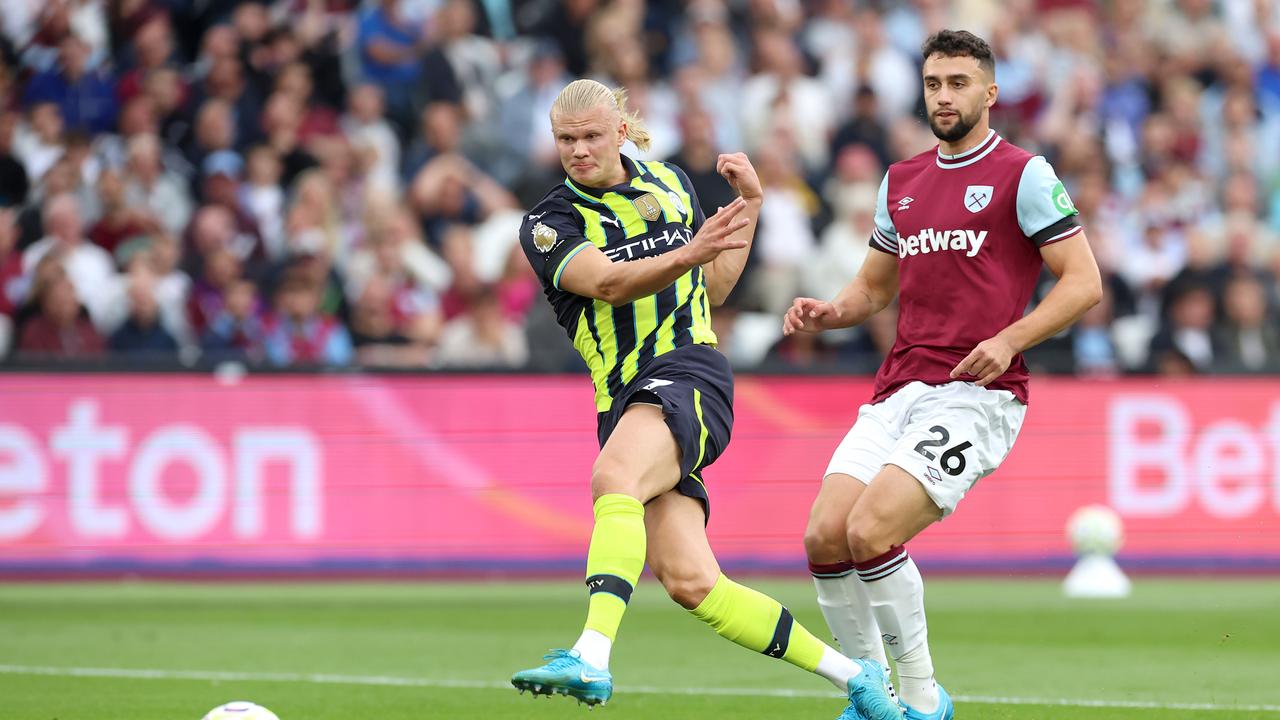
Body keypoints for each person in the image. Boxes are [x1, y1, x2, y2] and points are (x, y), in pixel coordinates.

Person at [509, 79, 900, 720]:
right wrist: (692, 248)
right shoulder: (550, 222)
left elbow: (713, 286)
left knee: (613, 479)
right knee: (693, 583)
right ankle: (856, 680)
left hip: (690, 371)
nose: (578, 150)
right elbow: (606, 284)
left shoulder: (670, 185)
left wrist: (750, 202)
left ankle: (591, 655)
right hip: (624, 399)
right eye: (566, 140)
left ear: (622, 133)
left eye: (590, 137)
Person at [785, 30, 1104, 720]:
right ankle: (870, 691)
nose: (944, 96)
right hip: (900, 387)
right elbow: (873, 290)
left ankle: (924, 700)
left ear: (989, 93)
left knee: (871, 530)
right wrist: (828, 311)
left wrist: (1010, 338)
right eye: (934, 84)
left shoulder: (1025, 174)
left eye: (958, 83)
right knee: (823, 536)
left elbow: (1083, 282)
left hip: (979, 395)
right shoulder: (901, 181)